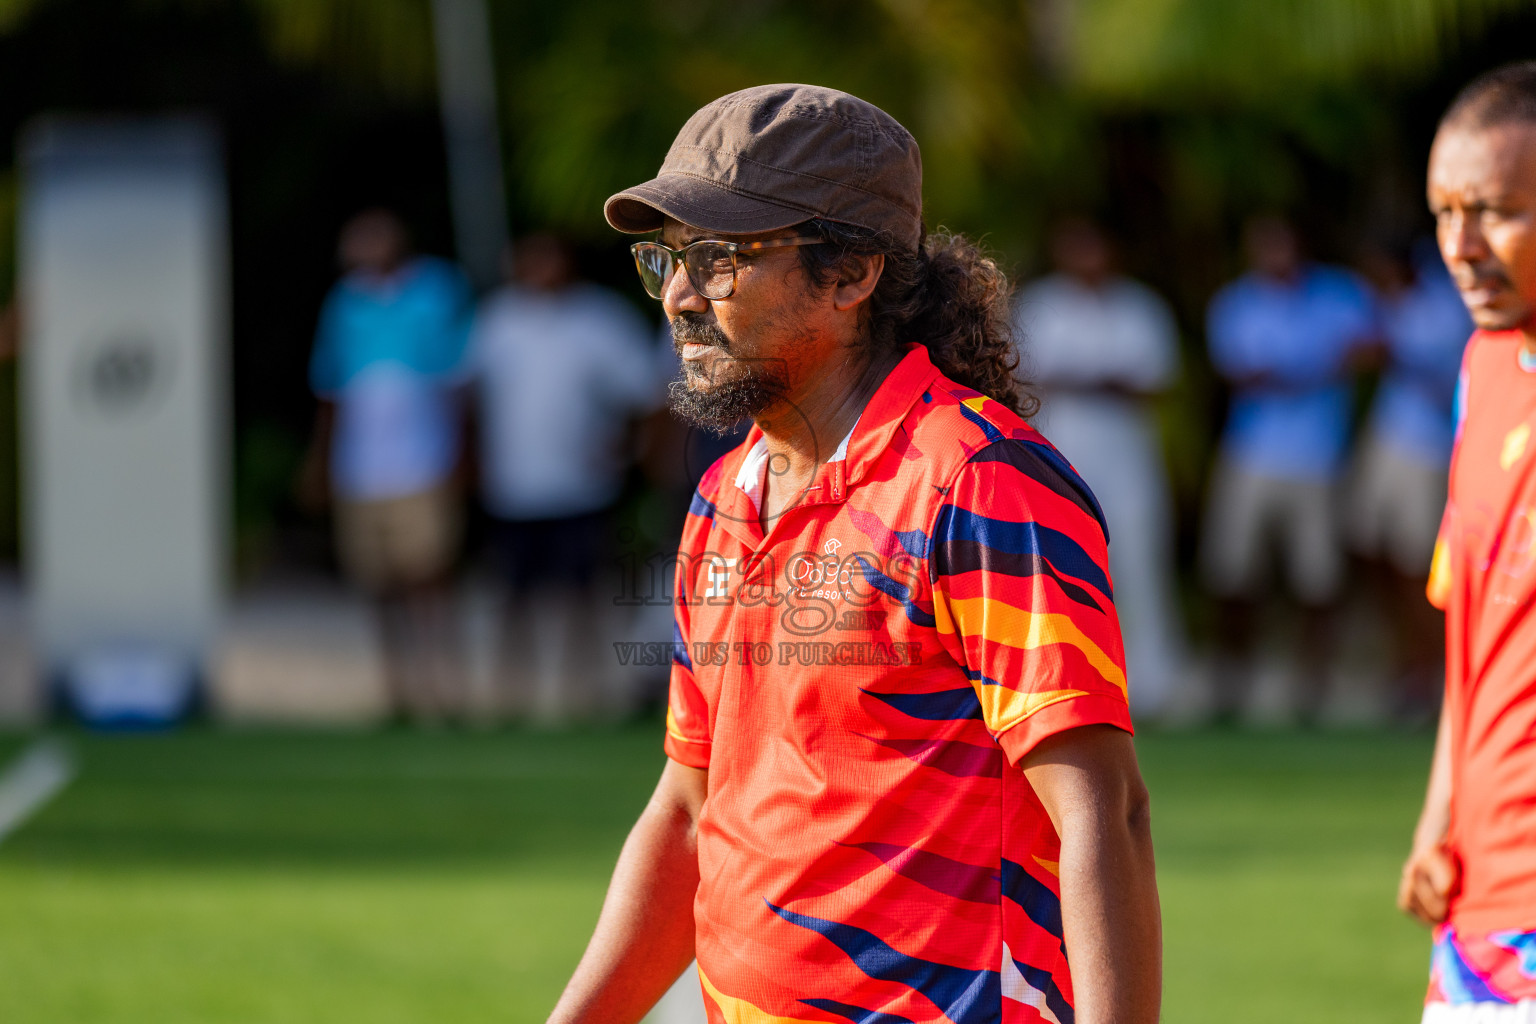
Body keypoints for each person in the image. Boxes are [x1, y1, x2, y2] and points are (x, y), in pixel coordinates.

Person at [546, 84, 1160, 1024]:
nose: (677, 296)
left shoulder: (981, 483)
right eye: (668, 259)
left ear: (851, 276)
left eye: (718, 260)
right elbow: (686, 816)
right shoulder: (723, 497)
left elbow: (1101, 813)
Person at [1400, 61, 1536, 1022]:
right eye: (1445, 213)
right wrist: (1440, 815)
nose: (1462, 245)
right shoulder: (1482, 368)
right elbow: (1475, 632)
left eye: (1493, 211)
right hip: (1477, 910)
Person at [468, 233, 662, 720]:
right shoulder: (497, 321)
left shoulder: (600, 321)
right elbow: (468, 397)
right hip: (511, 486)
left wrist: (626, 448)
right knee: (513, 597)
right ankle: (509, 700)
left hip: (582, 486)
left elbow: (646, 393)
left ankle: (584, 697)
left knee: (582, 595)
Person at [1200, 215, 1377, 722]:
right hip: (1251, 455)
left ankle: (1312, 690)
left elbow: (1374, 347)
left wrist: (1301, 369)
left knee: (1317, 581)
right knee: (1233, 575)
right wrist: (1320, 365)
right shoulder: (1236, 301)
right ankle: (1229, 687)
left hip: (1318, 459)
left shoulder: (1337, 293)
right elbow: (1242, 373)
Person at [1014, 216, 1186, 720]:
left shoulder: (1140, 308)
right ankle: (1067, 686)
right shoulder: (1040, 307)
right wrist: (1102, 381)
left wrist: (1078, 379)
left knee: (1139, 565)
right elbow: (1022, 381)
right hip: (1059, 462)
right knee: (1060, 569)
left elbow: (1154, 383)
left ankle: (1154, 689)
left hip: (1129, 461)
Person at [305, 208, 473, 721]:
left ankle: (444, 692)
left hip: (423, 462)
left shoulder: (437, 289)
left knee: (430, 578)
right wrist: (320, 463)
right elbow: (330, 390)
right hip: (362, 470)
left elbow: (459, 381)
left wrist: (464, 454)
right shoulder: (344, 303)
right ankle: (396, 693)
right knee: (378, 583)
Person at [1349, 238, 1471, 724]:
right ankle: (1408, 665)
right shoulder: (1389, 303)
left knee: (1418, 566)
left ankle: (1430, 672)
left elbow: (1447, 381)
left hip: (1425, 451)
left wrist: (1394, 352)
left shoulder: (1445, 305)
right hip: (1386, 445)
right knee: (1374, 551)